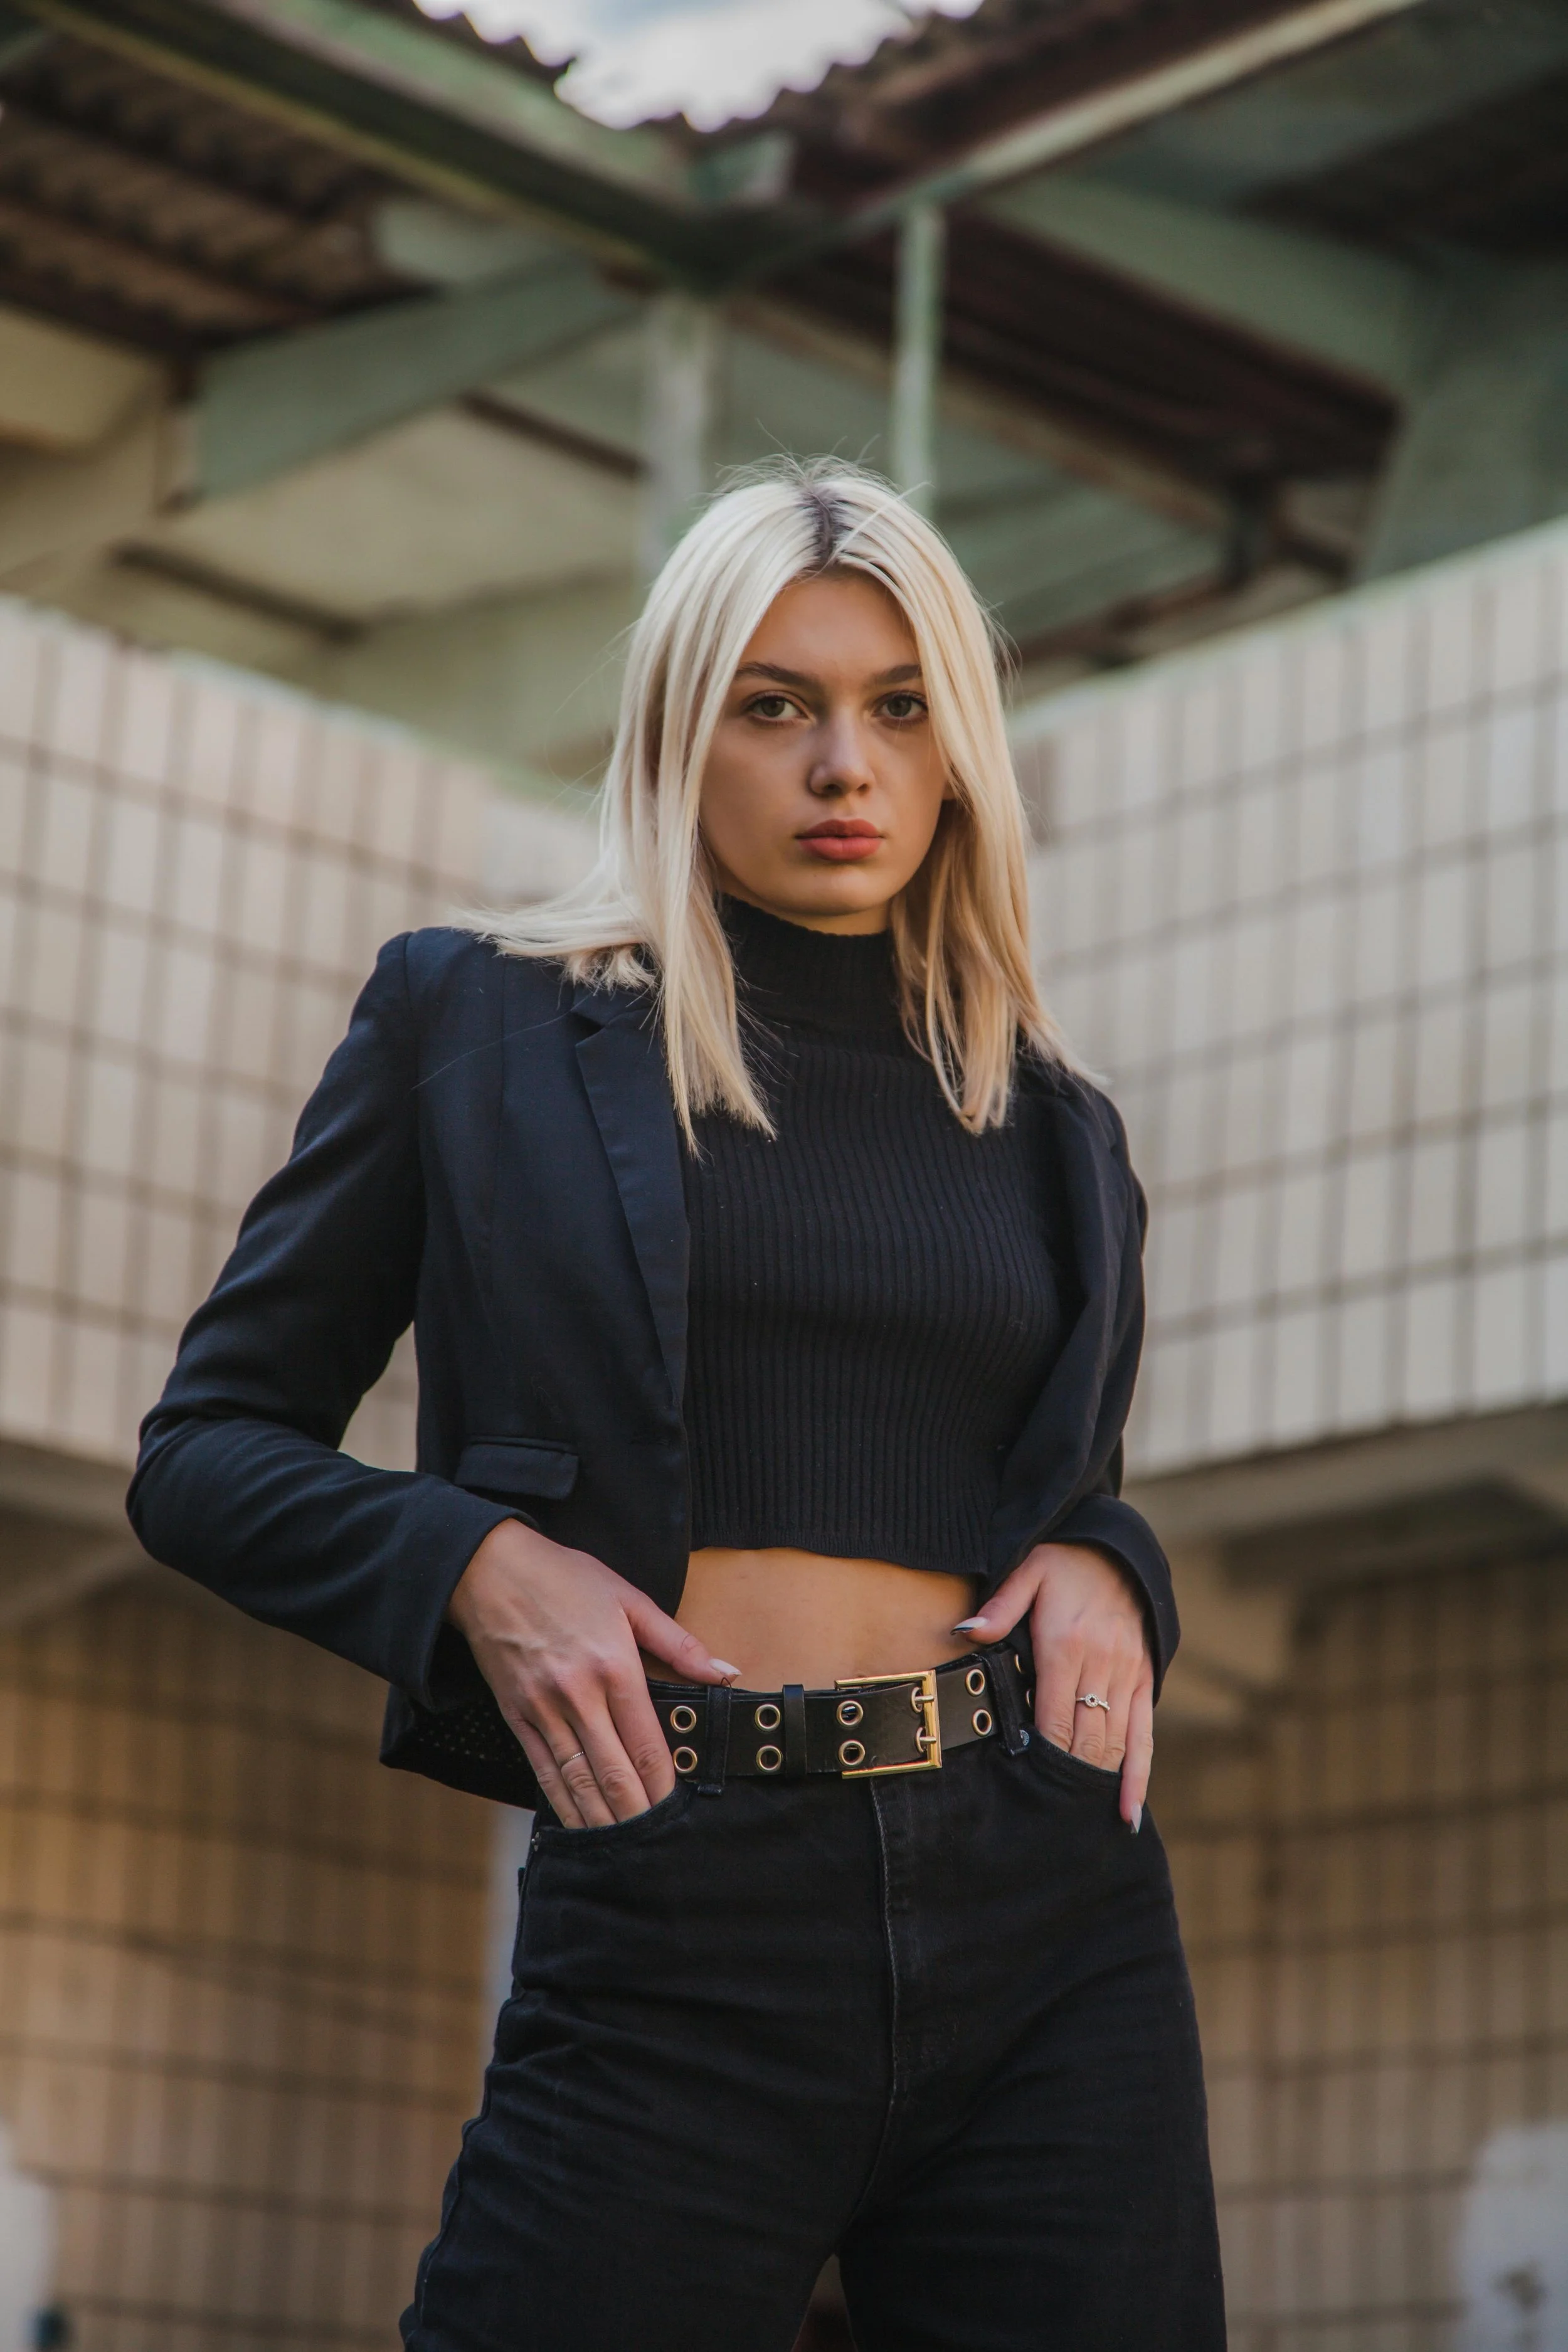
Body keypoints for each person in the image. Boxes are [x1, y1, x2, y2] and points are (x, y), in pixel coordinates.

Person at [129, 460, 1224, 2352]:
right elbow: (205, 1451)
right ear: (677, 732)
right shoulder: (474, 1021)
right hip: (679, 1875)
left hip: (1046, 1892)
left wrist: (1115, 1564)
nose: (844, 766)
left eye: (900, 707)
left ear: (961, 749)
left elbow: (1046, 1497)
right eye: (774, 705)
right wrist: (476, 1564)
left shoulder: (1056, 1123)